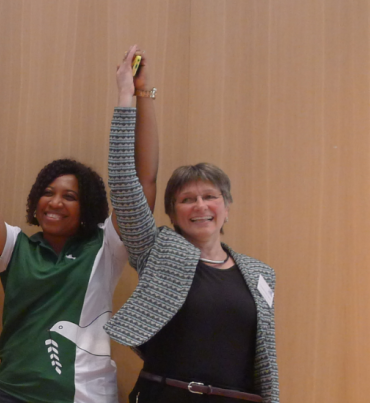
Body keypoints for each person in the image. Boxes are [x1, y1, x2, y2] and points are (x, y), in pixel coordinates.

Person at [0, 46, 158, 402]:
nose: (55, 202)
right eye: (48, 192)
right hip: (11, 393)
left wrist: (138, 95)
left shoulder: (107, 246)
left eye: (70, 196)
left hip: (86, 396)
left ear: (88, 206)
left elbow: (143, 183)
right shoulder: (15, 248)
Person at [104, 47, 279, 403]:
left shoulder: (260, 274)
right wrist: (129, 95)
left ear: (226, 208)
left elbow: (264, 364)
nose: (200, 206)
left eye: (210, 197)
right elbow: (125, 182)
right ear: (172, 214)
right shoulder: (158, 251)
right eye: (187, 199)